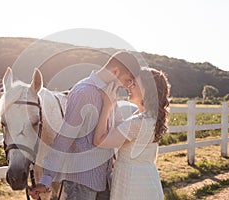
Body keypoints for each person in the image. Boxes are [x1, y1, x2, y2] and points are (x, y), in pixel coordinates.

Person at [29, 51, 141, 200]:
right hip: (81, 186)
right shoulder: (84, 92)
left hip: (105, 181)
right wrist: (46, 179)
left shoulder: (111, 92)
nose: (127, 86)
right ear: (115, 71)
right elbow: (64, 139)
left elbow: (117, 129)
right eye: (127, 80)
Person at [93, 67, 170, 199]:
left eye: (134, 84)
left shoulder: (137, 123)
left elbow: (99, 140)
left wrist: (106, 106)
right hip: (147, 178)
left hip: (132, 184)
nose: (129, 87)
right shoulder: (151, 117)